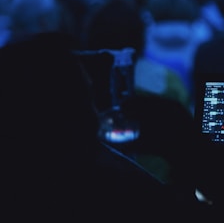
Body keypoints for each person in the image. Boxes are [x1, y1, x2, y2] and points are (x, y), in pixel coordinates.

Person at [0, 31, 198, 221]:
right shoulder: (115, 188)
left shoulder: (19, 181)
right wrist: (186, 157)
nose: (96, 111)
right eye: (88, 97)